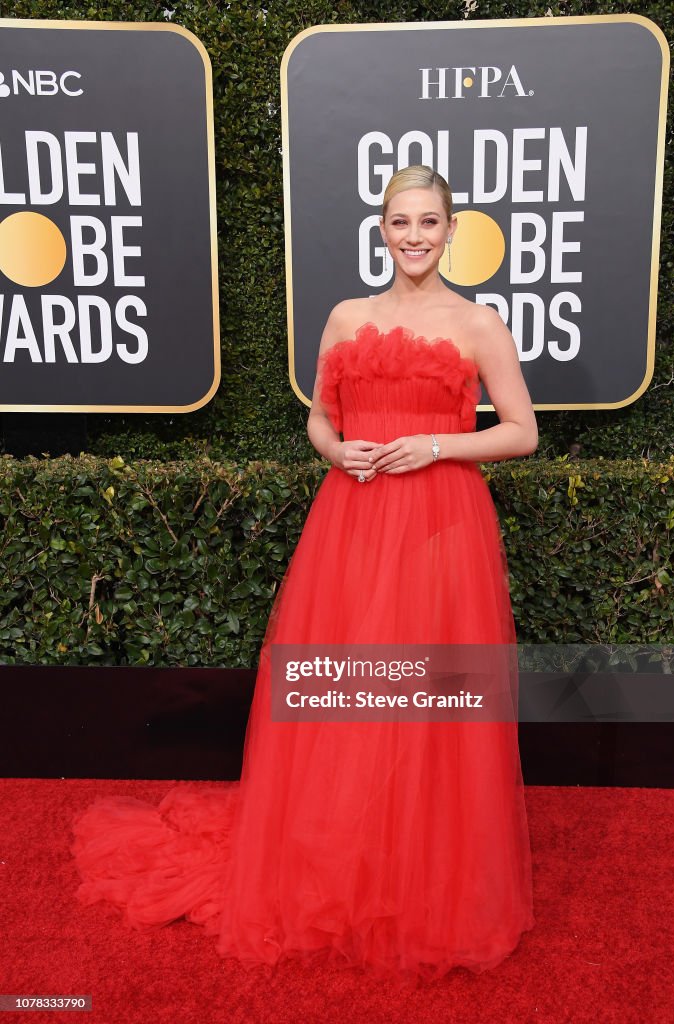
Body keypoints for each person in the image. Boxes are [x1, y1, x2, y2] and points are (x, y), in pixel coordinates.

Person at [70, 164, 537, 986]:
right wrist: (334, 448)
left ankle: (414, 873)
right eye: (400, 222)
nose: (415, 236)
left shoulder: (479, 322)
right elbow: (319, 417)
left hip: (439, 528)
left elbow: (520, 433)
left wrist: (432, 445)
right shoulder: (344, 318)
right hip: (350, 522)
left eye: (429, 221)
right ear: (382, 229)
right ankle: (341, 861)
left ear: (452, 229)